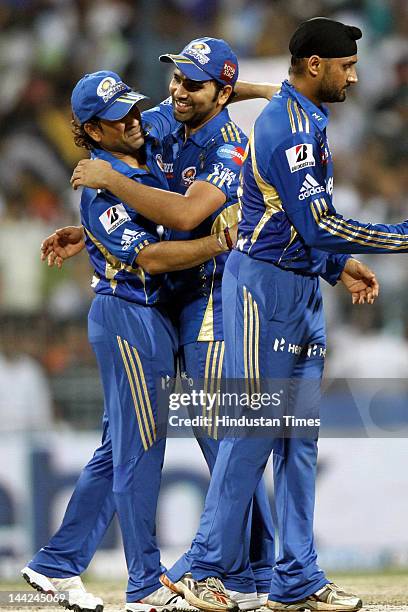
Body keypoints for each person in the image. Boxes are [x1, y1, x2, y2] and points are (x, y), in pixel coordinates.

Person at [69, 33, 381, 612]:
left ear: (222, 92)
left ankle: (245, 571)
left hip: (216, 299)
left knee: (239, 433)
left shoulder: (234, 145)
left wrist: (112, 184)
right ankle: (225, 572)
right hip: (171, 299)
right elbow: (124, 159)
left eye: (193, 82)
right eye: (176, 78)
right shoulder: (164, 119)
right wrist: (91, 226)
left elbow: (191, 211)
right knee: (232, 435)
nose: (175, 92)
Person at [22, 69, 242, 612]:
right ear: (93, 132)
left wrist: (87, 235)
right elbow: (150, 256)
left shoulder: (135, 157)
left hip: (150, 315)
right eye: (118, 115)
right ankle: (145, 583)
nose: (133, 117)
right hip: (130, 315)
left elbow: (157, 220)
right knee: (141, 449)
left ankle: (56, 563)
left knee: (117, 448)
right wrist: (218, 245)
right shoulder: (102, 185)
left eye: (131, 106)